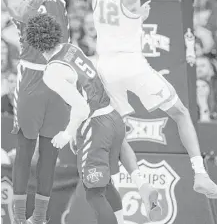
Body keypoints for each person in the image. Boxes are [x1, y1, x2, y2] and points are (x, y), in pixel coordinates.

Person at [91, 0, 217, 199]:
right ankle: (200, 175)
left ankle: (140, 184)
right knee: (181, 113)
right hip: (131, 65)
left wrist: (138, 17)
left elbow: (121, 17)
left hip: (105, 69)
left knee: (118, 129)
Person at [25, 13, 161, 224]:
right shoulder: (72, 49)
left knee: (93, 191)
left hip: (95, 126)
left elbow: (81, 107)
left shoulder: (52, 71)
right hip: (112, 116)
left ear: (33, 44)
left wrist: (67, 132)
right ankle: (141, 185)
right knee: (103, 184)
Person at [3, 0, 71, 224]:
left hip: (61, 76)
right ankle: (16, 216)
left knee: (51, 152)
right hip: (31, 78)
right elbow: (27, 15)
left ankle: (40, 218)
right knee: (24, 149)